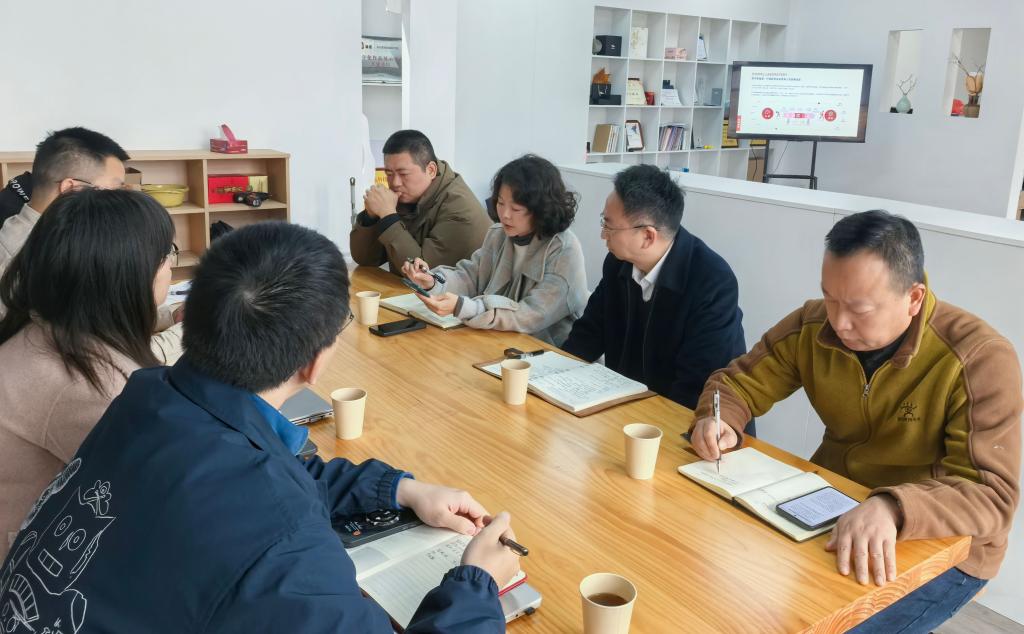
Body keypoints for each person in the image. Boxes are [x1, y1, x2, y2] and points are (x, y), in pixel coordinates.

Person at [0, 221, 519, 632]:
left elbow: (255, 478)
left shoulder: (150, 396)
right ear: (315, 363)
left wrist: (400, 489)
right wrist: (478, 582)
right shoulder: (282, 543)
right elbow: (263, 506)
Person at [689, 210, 1021, 633]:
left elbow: (991, 497)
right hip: (832, 503)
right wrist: (718, 420)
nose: (839, 322)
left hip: (942, 543)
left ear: (914, 298)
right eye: (830, 298)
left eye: (859, 308)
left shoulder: (979, 358)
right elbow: (736, 383)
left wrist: (892, 507)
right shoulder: (813, 326)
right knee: (721, 587)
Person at [0, 188, 175, 560]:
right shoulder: (81, 381)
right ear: (129, 273)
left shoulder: (48, 326)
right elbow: (165, 489)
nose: (170, 266)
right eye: (166, 255)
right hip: (36, 569)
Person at [561, 165, 750, 418]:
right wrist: (556, 378)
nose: (603, 234)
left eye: (609, 226)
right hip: (628, 409)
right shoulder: (617, 263)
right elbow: (588, 334)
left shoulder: (712, 282)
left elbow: (696, 387)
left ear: (648, 236)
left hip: (689, 422)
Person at [0, 126, 184, 363]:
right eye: (115, 190)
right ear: (72, 189)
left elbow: (102, 317)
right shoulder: (33, 257)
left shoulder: (43, 235)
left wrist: (171, 317)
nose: (122, 200)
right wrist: (189, 334)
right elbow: (98, 357)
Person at [402, 154, 588, 345]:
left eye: (516, 209)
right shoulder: (499, 234)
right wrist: (433, 281)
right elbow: (471, 277)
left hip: (548, 350)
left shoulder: (563, 250)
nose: (505, 215)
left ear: (541, 209)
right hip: (498, 339)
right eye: (500, 203)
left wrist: (465, 307)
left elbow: (530, 315)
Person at [349, 129, 490, 272]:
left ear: (431, 170)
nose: (395, 183)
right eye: (389, 174)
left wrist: (388, 217)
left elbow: (423, 274)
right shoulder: (409, 195)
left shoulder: (460, 210)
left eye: (404, 174)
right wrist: (370, 217)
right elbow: (365, 258)